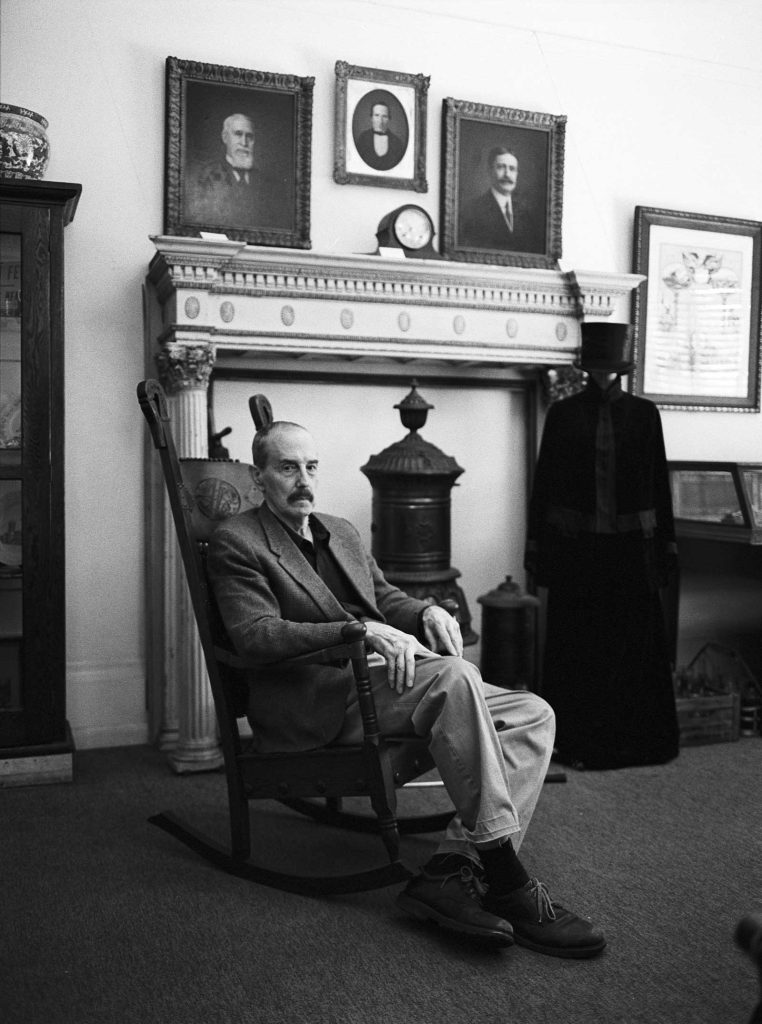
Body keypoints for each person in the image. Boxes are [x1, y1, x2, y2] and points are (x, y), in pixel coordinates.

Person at [207, 416, 606, 959]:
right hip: (316, 698)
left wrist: (428, 610)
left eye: (311, 466)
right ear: (259, 479)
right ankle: (508, 879)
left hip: (380, 682)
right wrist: (358, 631)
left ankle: (452, 866)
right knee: (456, 676)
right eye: (286, 468)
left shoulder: (338, 529)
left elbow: (388, 597)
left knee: (534, 712)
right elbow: (256, 636)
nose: (303, 479)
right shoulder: (238, 541)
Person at [525, 322, 680, 770]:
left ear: (621, 369)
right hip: (579, 551)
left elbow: (657, 482)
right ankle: (578, 741)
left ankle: (640, 742)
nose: (603, 374)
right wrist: (538, 544)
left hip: (632, 551)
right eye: (598, 366)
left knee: (633, 645)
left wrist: (667, 545)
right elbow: (546, 484)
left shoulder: (645, 414)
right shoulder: (563, 413)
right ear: (588, 367)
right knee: (581, 644)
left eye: (610, 367)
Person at [187, 112, 292, 230]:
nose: (244, 143)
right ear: (225, 137)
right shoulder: (205, 178)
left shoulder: (271, 186)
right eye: (238, 134)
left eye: (249, 136)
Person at [459, 145, 544, 254]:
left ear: (517, 174)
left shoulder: (526, 215)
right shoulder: (473, 211)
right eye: (501, 167)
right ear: (490, 171)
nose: (507, 174)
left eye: (512, 169)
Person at [354, 101, 406, 171]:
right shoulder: (363, 138)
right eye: (377, 115)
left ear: (389, 119)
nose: (380, 121)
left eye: (384, 116)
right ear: (371, 118)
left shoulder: (397, 142)